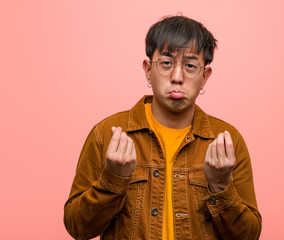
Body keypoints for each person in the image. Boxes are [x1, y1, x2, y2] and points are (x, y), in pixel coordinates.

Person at [64, 15, 262, 240]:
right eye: (166, 63)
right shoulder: (107, 134)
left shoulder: (227, 141)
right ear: (148, 69)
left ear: (205, 76)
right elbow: (77, 227)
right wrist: (113, 179)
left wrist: (220, 185)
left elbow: (249, 236)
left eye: (190, 66)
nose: (177, 77)